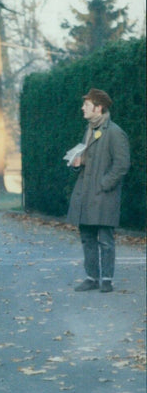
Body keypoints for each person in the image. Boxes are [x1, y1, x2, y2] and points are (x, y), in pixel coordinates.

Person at [66, 88, 130, 293]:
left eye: (86, 104)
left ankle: (107, 280)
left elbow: (122, 165)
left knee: (105, 239)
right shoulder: (90, 130)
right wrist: (77, 163)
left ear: (98, 107)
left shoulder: (115, 132)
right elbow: (87, 159)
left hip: (103, 195)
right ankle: (92, 277)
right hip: (86, 193)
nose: (82, 108)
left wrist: (104, 185)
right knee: (87, 237)